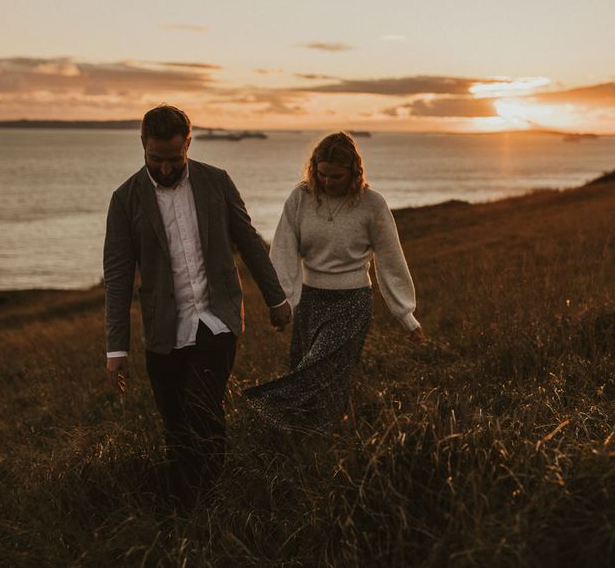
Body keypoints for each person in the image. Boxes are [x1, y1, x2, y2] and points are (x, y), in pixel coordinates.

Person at [103, 105, 291, 510]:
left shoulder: (216, 182)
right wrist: (116, 350)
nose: (166, 169)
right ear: (142, 146)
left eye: (175, 159)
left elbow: (250, 242)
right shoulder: (124, 200)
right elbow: (117, 279)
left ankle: (210, 501)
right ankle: (185, 506)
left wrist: (275, 298)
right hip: (163, 334)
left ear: (188, 144)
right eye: (156, 159)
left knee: (203, 412)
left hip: (215, 321)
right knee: (176, 428)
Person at [244, 132, 424, 431]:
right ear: (313, 169)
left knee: (322, 371)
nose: (328, 182)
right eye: (322, 174)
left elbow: (391, 260)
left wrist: (406, 316)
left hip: (352, 303)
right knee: (306, 367)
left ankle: (263, 407)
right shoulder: (300, 198)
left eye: (337, 176)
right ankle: (308, 437)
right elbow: (284, 252)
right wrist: (283, 303)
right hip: (310, 301)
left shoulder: (372, 204)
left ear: (354, 171)